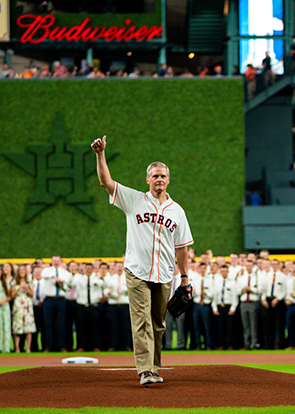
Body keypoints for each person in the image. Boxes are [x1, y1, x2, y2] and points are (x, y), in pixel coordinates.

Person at [91, 135, 194, 386]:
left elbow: (182, 249)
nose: (159, 179)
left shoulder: (177, 211)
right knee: (142, 320)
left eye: (163, 176)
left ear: (168, 180)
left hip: (164, 274)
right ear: (147, 180)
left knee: (159, 324)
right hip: (136, 271)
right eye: (155, 175)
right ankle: (145, 371)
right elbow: (106, 182)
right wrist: (100, 154)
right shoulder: (135, 200)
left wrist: (184, 278)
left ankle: (155, 368)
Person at [41, 255, 71, 352]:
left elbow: (67, 287)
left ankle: (62, 346)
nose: (56, 262)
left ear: (60, 261)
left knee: (61, 324)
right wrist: (54, 276)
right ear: (52, 261)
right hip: (49, 299)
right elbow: (43, 275)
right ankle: (48, 346)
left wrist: (61, 282)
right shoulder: (47, 270)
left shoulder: (65, 273)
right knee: (48, 324)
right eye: (54, 260)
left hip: (61, 300)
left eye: (58, 260)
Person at [10, 267, 36, 353]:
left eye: (23, 270)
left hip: (27, 305)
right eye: (20, 271)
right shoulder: (14, 282)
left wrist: (27, 288)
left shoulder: (29, 282)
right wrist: (18, 287)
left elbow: (32, 295)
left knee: (28, 327)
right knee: (17, 326)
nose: (21, 272)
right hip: (18, 305)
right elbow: (12, 295)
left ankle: (28, 348)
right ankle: (17, 348)